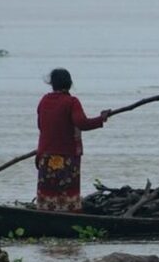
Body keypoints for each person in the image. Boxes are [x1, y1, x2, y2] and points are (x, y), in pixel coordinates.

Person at [35, 68, 110, 211]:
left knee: (48, 194)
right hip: (66, 157)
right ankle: (67, 216)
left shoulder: (44, 101)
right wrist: (102, 118)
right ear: (69, 83)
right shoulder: (71, 102)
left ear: (52, 84)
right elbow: (82, 123)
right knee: (66, 196)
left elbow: (41, 125)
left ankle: (45, 216)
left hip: (45, 155)